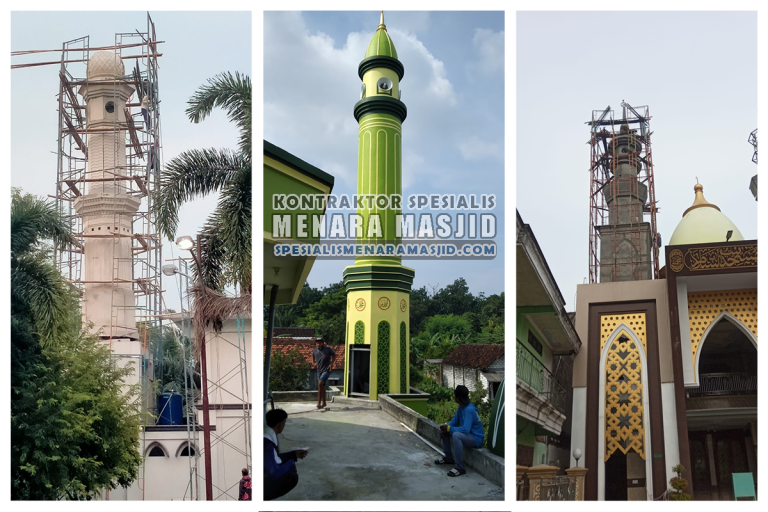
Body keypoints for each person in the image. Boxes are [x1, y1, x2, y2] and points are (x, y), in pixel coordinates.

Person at [435, 385, 485, 477]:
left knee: (456, 435)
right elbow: (455, 421)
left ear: (458, 398)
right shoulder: (461, 407)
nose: (454, 396)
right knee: (446, 430)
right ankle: (448, 458)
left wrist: (449, 429)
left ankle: (460, 467)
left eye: (454, 395)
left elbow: (465, 430)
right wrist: (446, 427)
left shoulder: (469, 410)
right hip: (469, 436)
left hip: (476, 438)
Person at [264, 408, 308, 500]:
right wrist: (291, 463)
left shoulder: (266, 433)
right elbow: (274, 472)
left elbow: (274, 459)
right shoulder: (267, 443)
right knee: (292, 478)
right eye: (284, 423)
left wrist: (293, 454)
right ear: (280, 425)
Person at [312, 337, 335, 409]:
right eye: (317, 343)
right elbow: (312, 357)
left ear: (322, 343)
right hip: (319, 370)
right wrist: (313, 363)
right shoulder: (315, 350)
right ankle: (324, 403)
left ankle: (319, 402)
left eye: (319, 343)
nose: (318, 344)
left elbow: (334, 355)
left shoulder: (327, 349)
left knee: (320, 383)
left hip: (326, 370)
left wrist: (331, 364)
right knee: (322, 386)